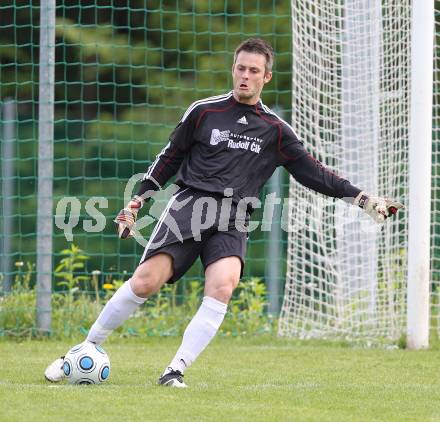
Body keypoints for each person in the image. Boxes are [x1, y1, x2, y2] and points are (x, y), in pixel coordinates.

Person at [44, 38, 403, 387]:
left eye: (254, 71)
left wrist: (363, 200)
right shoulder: (204, 111)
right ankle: (81, 350)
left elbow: (315, 173)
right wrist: (139, 200)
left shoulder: (276, 131)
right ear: (234, 70)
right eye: (241, 68)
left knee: (223, 286)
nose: (245, 76)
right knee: (145, 282)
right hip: (189, 207)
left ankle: (175, 370)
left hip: (234, 217)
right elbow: (168, 158)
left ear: (266, 77)